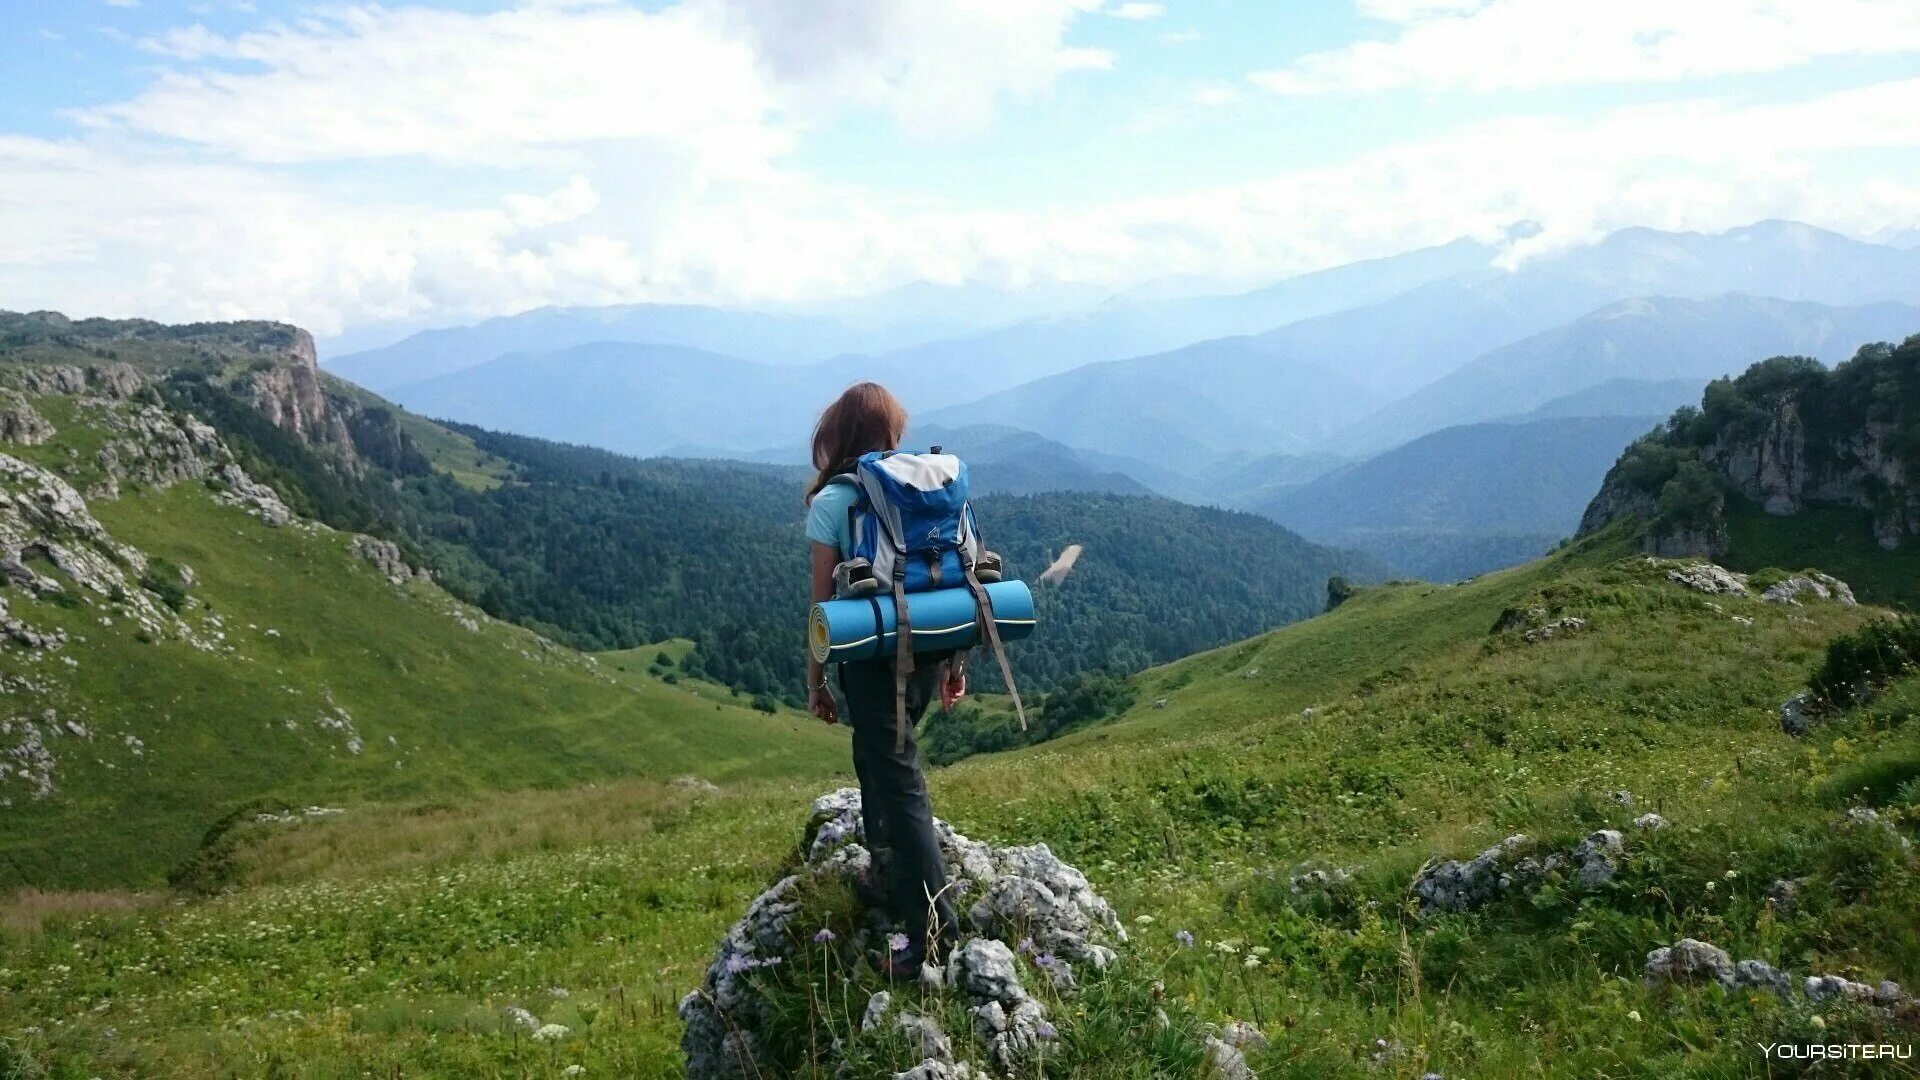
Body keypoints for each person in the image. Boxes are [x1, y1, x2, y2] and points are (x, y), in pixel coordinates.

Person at [804, 381, 964, 977]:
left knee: (900, 780)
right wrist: (954, 665)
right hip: (927, 649)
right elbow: (951, 575)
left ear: (838, 434)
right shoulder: (922, 490)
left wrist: (816, 683)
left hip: (871, 658)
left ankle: (935, 933)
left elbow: (821, 608)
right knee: (874, 757)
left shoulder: (835, 503)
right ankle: (886, 873)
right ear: (891, 433)